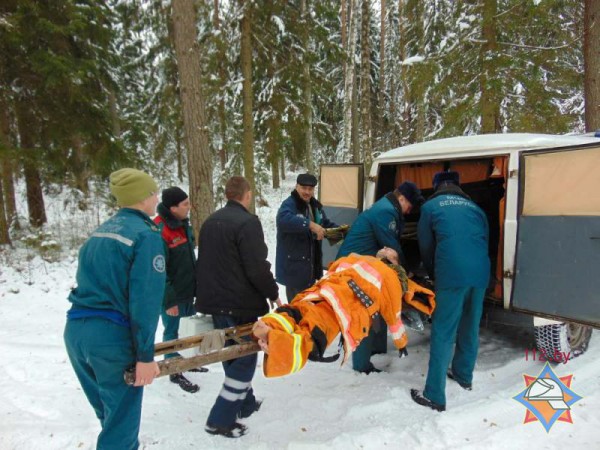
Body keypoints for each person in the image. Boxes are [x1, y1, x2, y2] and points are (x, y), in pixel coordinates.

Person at [64, 168, 165, 450]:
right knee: (120, 427)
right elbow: (146, 300)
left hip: (76, 332)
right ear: (144, 197)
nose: (156, 197)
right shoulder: (146, 236)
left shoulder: (99, 233)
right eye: (153, 192)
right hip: (111, 338)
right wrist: (145, 355)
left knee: (111, 419)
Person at [252, 250, 435, 378]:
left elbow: (334, 266)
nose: (386, 248)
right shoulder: (390, 277)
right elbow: (393, 315)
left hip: (324, 289)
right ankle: (281, 349)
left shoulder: (357, 258)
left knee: (298, 310)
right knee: (316, 331)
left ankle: (272, 324)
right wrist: (401, 343)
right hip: (347, 306)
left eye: (388, 251)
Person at [195, 176, 281, 438]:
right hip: (240, 303)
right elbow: (257, 266)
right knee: (244, 357)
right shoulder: (247, 223)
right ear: (247, 195)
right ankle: (220, 418)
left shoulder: (210, 222)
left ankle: (244, 402)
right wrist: (273, 293)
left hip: (215, 302)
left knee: (232, 354)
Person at [411, 170, 490, 412]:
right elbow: (485, 238)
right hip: (480, 272)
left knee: (444, 331)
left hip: (452, 272)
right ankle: (464, 376)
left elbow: (425, 244)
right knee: (470, 325)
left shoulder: (431, 206)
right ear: (457, 186)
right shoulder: (475, 208)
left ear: (436, 187)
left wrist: (433, 272)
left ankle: (434, 395)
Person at [336, 181, 424, 374]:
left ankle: (376, 350)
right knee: (364, 313)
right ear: (401, 198)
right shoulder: (385, 212)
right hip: (354, 270)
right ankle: (361, 365)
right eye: (409, 206)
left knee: (380, 305)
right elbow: (392, 247)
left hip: (366, 267)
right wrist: (407, 272)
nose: (409, 211)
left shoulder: (388, 208)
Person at [154, 186, 206, 394]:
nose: (189, 207)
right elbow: (159, 271)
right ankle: (173, 368)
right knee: (172, 331)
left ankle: (187, 362)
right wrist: (169, 301)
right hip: (172, 295)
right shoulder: (160, 231)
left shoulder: (183, 225)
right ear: (173, 208)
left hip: (188, 290)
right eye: (185, 204)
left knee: (187, 328)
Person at [276, 173, 339, 302]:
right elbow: (283, 220)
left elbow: (324, 224)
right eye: (304, 188)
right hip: (295, 271)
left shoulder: (315, 206)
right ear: (296, 187)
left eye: (310, 189)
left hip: (310, 269)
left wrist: (343, 233)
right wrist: (310, 225)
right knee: (296, 311)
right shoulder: (289, 204)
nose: (307, 192)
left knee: (308, 312)